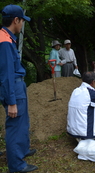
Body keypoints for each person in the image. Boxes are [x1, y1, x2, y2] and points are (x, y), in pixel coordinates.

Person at [0, 4, 38, 173]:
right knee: (15, 125)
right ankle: (16, 165)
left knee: (22, 122)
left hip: (17, 85)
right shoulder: (5, 41)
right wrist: (11, 101)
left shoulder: (5, 37)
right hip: (13, 86)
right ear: (16, 20)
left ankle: (22, 150)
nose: (22, 25)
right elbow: (6, 73)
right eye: (22, 21)